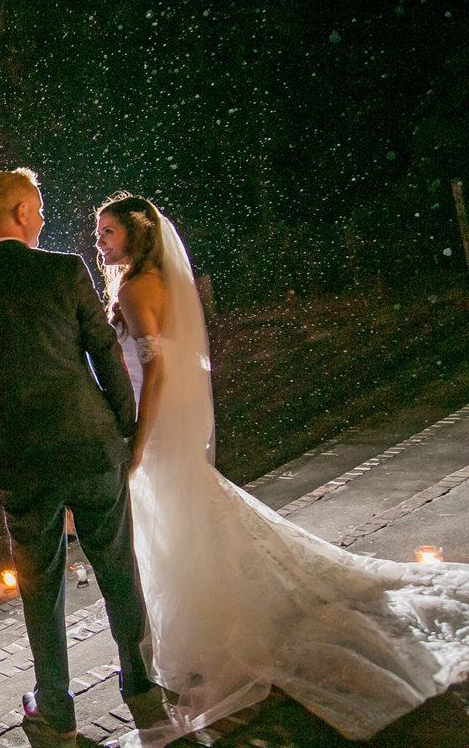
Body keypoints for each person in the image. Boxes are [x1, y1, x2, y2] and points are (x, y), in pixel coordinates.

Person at [92, 192, 469, 745]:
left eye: (108, 233)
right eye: (98, 233)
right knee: (189, 512)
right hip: (176, 423)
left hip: (159, 424)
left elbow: (159, 374)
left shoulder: (131, 289)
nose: (99, 242)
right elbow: (188, 359)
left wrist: (140, 443)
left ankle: (209, 623)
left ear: (137, 233)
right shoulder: (166, 281)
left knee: (177, 519)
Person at [0, 169, 155, 746]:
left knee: (40, 585)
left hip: (21, 461)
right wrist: (125, 431)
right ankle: (139, 678)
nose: (43, 218)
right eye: (37, 209)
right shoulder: (64, 271)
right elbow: (105, 353)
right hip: (89, 444)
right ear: (18, 213)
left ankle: (55, 706)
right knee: (115, 563)